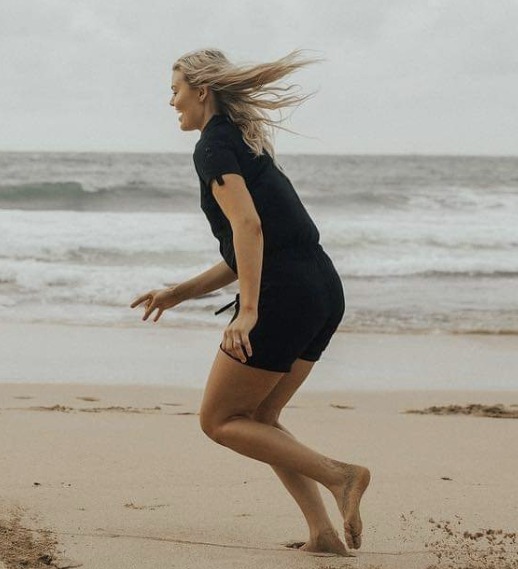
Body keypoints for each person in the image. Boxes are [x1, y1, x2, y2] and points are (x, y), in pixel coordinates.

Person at [130, 48, 370, 557]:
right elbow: (252, 246)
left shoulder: (213, 147)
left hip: (285, 297)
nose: (171, 102)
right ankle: (322, 534)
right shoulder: (242, 140)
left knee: (219, 420)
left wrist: (249, 311)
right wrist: (179, 293)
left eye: (175, 90)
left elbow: (248, 228)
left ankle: (341, 476)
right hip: (322, 289)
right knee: (260, 417)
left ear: (201, 91)